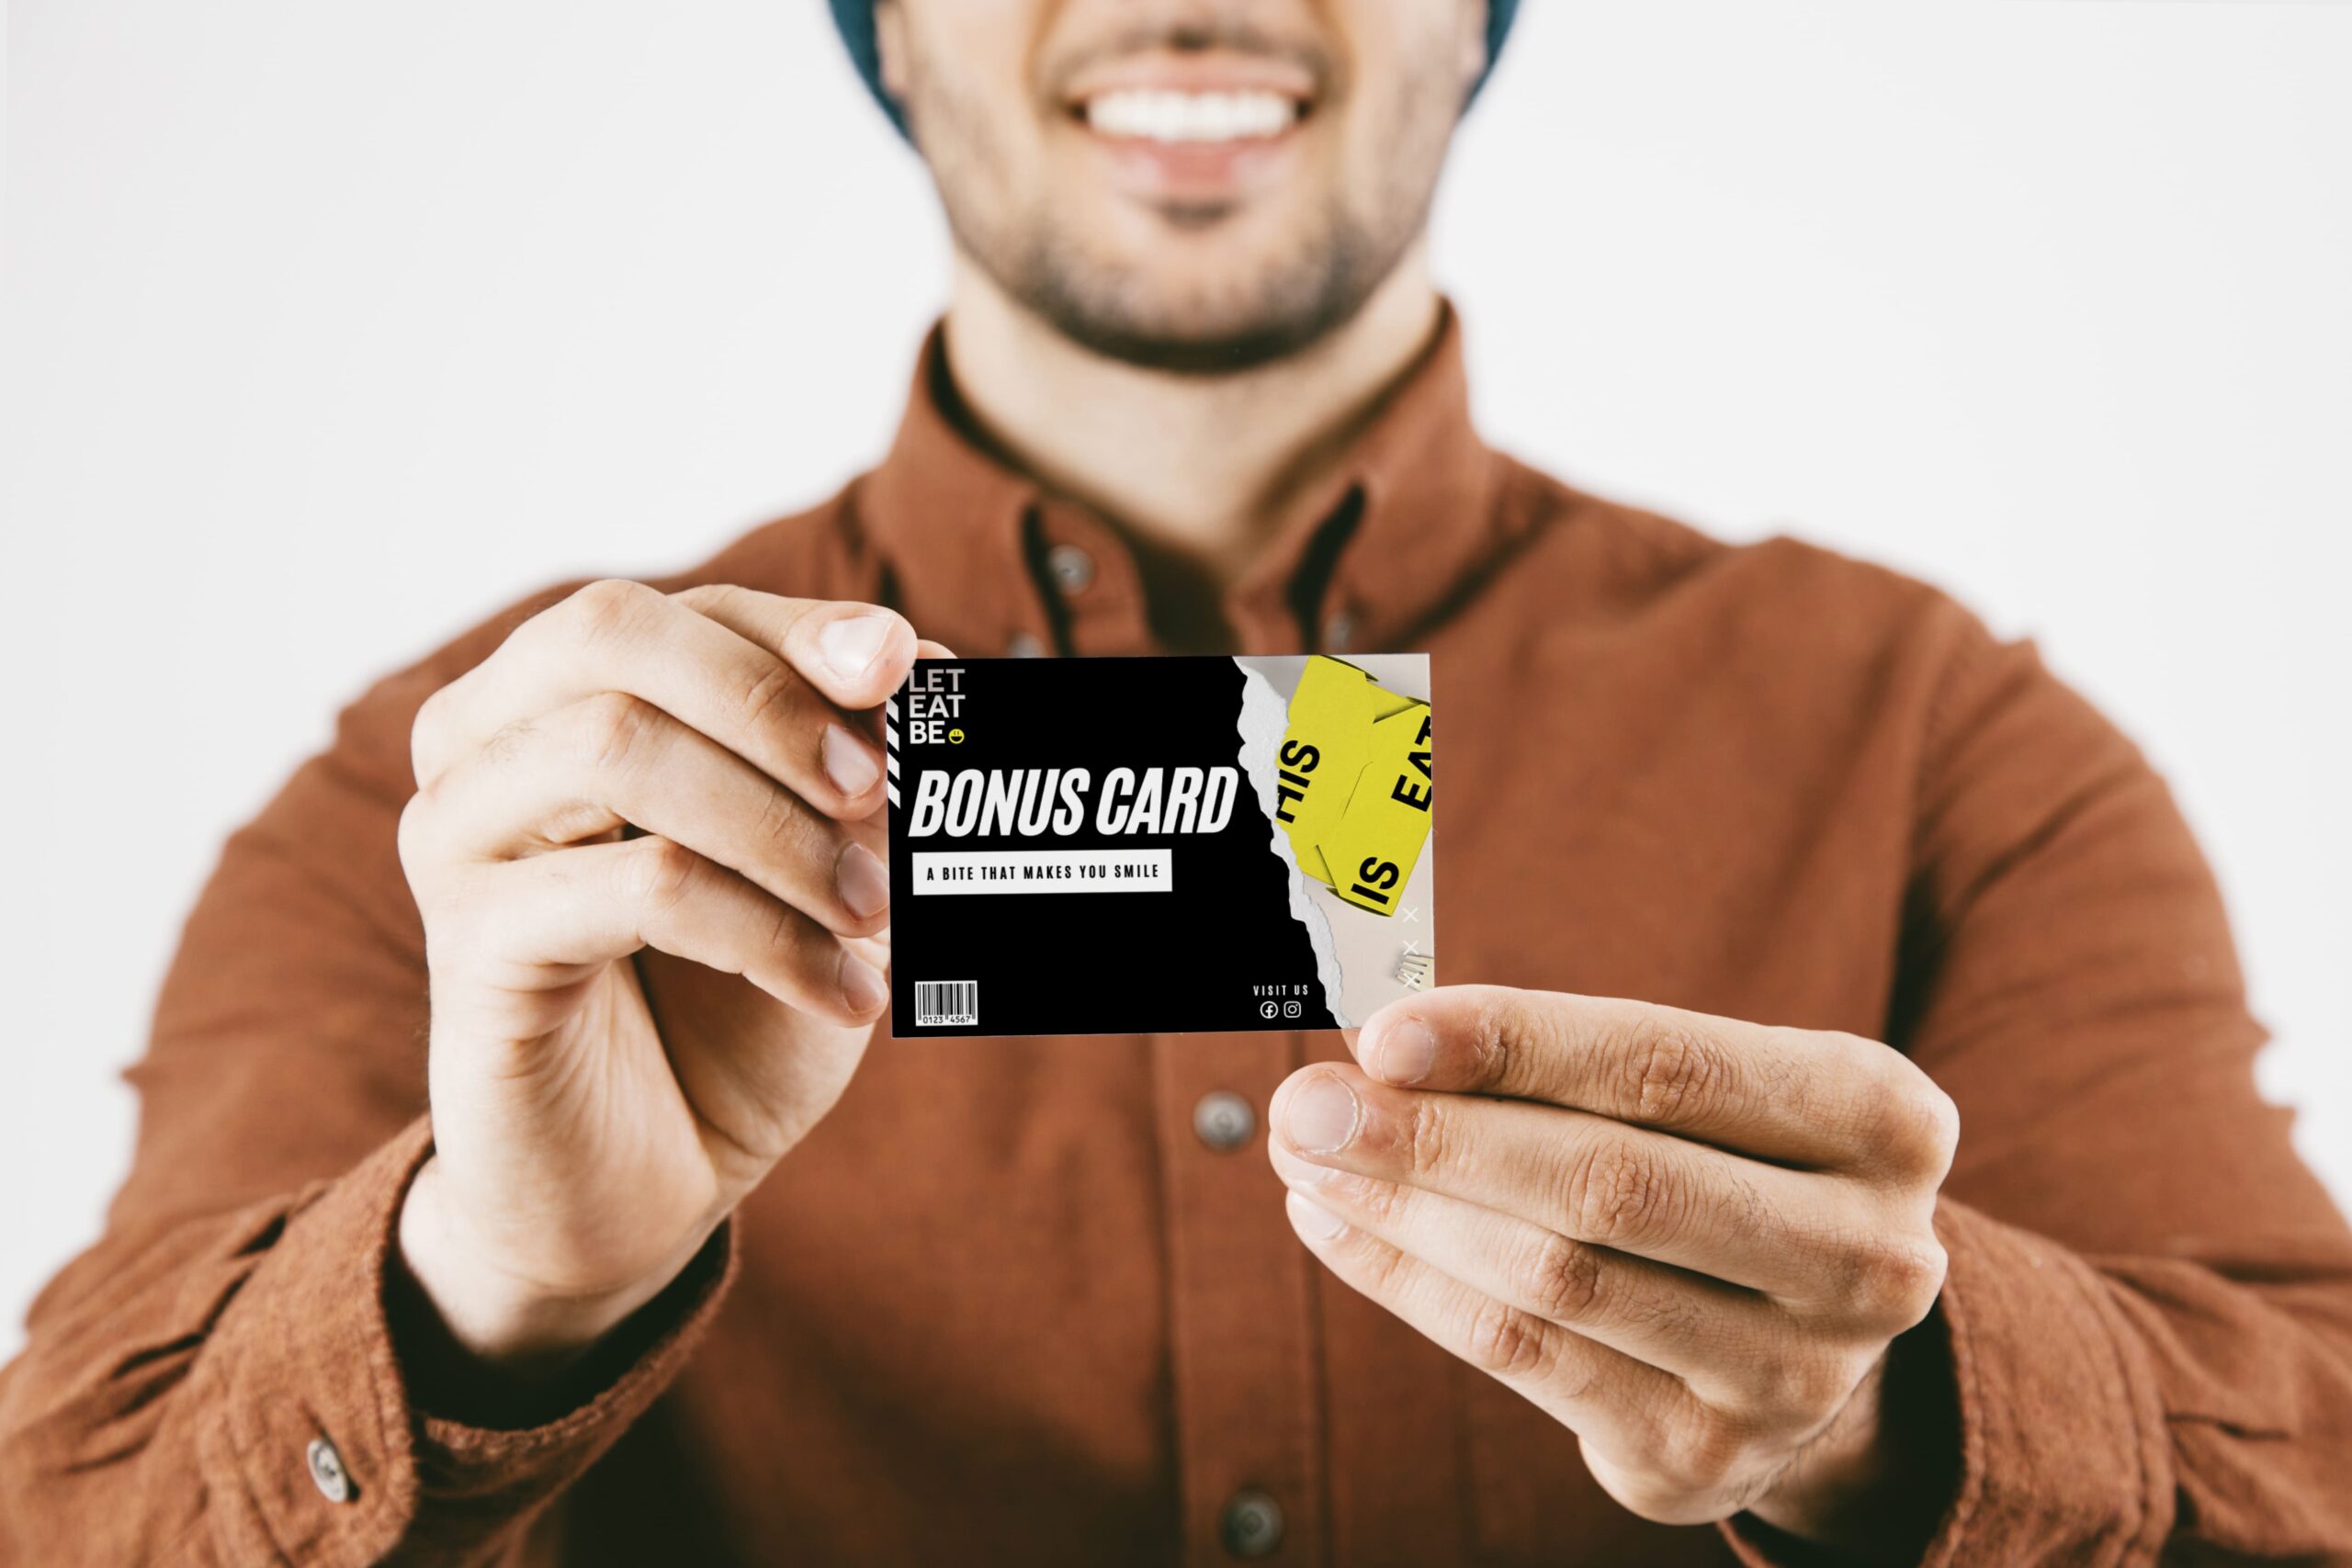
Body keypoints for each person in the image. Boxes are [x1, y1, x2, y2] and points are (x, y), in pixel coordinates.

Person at [4, 1, 2347, 1562]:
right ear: (889, 27)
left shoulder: (1925, 735)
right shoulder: (481, 805)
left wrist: (1883, 1405)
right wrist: (488, 1288)